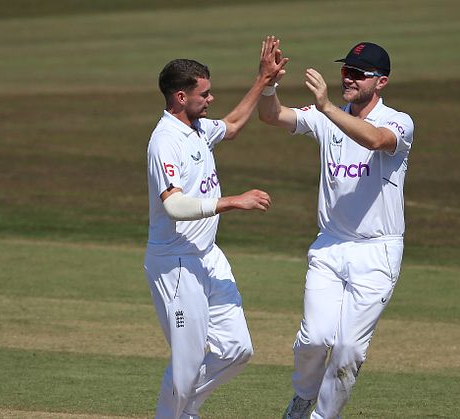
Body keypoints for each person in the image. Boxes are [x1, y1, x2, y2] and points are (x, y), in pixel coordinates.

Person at [258, 41, 415, 418]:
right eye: (346, 71)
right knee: (313, 339)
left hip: (377, 250)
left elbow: (376, 140)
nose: (349, 78)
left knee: (348, 349)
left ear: (381, 82)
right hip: (330, 246)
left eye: (358, 74)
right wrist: (267, 85)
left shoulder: (399, 121)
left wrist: (327, 108)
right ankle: (302, 397)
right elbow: (271, 116)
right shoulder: (325, 115)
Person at [144, 36, 287, 419]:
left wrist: (263, 79)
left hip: (208, 257)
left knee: (238, 349)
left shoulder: (198, 129)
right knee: (187, 362)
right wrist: (232, 201)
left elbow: (236, 124)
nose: (210, 100)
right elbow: (173, 204)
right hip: (175, 263)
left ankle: (182, 409)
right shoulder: (165, 142)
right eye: (203, 94)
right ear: (179, 96)